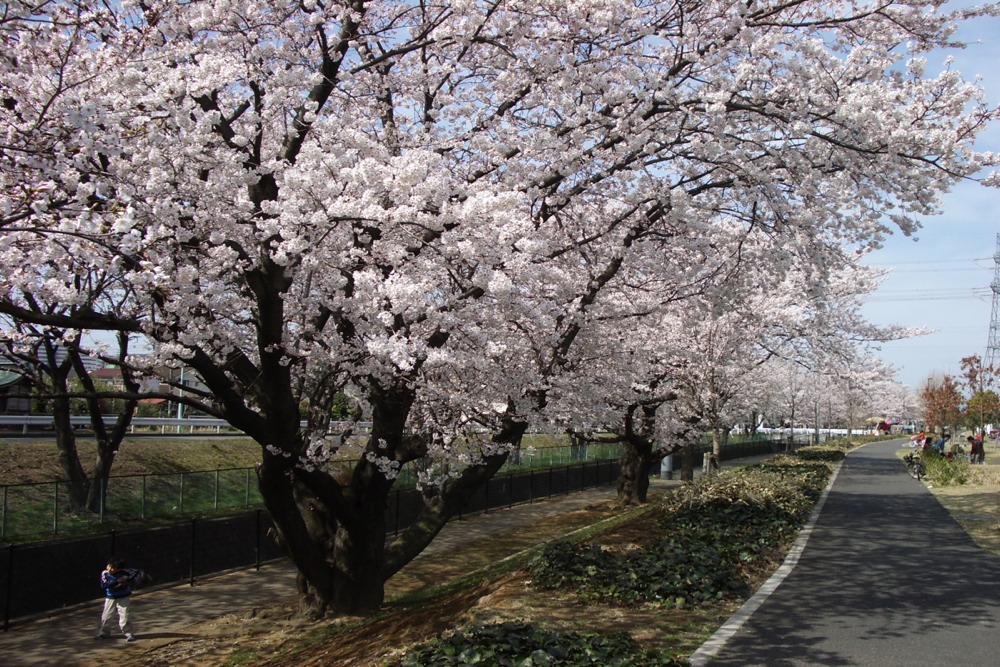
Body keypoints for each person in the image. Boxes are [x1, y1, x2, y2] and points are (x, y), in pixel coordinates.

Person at [95, 557, 144, 642]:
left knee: (125, 615)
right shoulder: (105, 573)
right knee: (106, 616)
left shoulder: (125, 572)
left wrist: (127, 579)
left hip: (123, 597)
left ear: (119, 569)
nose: (110, 569)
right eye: (109, 566)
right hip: (111, 598)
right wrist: (117, 581)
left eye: (113, 568)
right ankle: (104, 633)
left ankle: (129, 634)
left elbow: (135, 572)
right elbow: (104, 585)